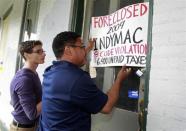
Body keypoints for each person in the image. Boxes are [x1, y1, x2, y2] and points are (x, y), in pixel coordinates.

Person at [38, 31, 131, 131]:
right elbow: (107, 106)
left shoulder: (50, 71)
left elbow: (73, 60)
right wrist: (119, 79)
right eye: (82, 46)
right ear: (68, 50)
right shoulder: (77, 79)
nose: (84, 50)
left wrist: (88, 48)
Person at [10, 40, 46, 131]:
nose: (43, 54)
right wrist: (50, 94)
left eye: (43, 51)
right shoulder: (24, 80)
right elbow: (32, 114)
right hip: (24, 128)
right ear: (26, 55)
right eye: (38, 51)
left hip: (32, 126)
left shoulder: (32, 74)